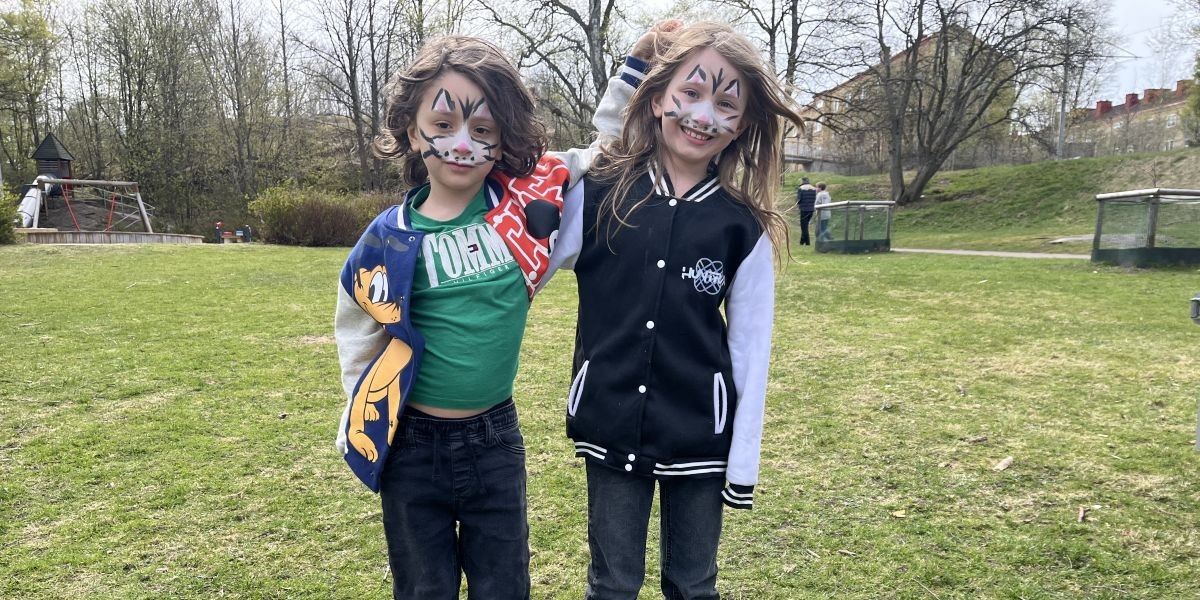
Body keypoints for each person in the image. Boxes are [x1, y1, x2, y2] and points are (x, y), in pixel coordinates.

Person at [332, 32, 657, 599]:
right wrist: (367, 417)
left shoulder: (522, 212)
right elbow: (358, 333)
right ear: (413, 130)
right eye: (443, 124)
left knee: (504, 586)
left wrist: (636, 68)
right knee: (423, 589)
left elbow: (602, 153)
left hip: (495, 443)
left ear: (504, 136)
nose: (463, 144)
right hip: (411, 446)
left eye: (482, 130)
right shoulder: (387, 239)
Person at [543, 21, 802, 600]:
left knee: (692, 585)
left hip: (700, 436)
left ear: (742, 125)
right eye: (691, 92)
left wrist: (743, 463)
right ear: (658, 99)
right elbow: (525, 272)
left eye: (726, 104)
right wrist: (630, 74)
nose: (704, 116)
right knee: (612, 584)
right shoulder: (598, 193)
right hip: (609, 420)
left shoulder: (744, 227)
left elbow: (751, 351)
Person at [795, 176, 817, 245]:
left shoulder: (801, 188)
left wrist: (797, 204)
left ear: (803, 181)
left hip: (804, 209)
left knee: (804, 227)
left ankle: (807, 242)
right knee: (805, 225)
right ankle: (802, 242)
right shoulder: (813, 188)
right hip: (811, 209)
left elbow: (799, 199)